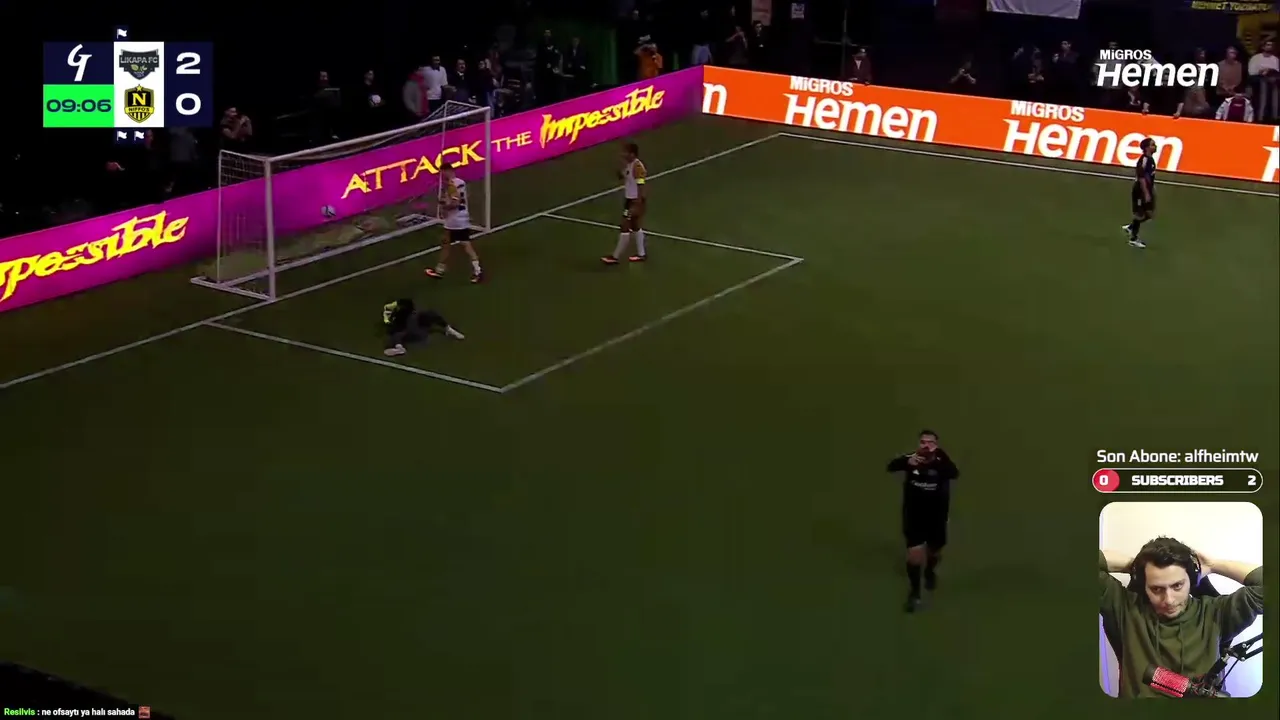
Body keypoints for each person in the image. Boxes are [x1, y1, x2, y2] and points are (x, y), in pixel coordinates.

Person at [1099, 538, 1263, 698]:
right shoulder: (1124, 608)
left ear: (1192, 579)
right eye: (1156, 589)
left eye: (1177, 586)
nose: (1169, 600)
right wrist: (1132, 565)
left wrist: (1214, 565)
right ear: (1143, 585)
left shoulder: (1216, 612)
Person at [886, 430, 959, 613]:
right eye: (923, 442)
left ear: (936, 446)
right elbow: (891, 466)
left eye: (930, 442)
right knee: (914, 556)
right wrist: (906, 462)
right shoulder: (911, 460)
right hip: (914, 517)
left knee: (934, 553)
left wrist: (938, 458)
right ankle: (915, 594)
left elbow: (954, 473)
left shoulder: (942, 463)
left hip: (936, 519)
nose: (926, 445)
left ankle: (929, 571)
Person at [425, 164, 484, 283]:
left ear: (448, 171)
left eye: (442, 172)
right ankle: (440, 270)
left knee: (464, 245)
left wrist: (444, 206)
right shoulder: (460, 182)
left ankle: (477, 271)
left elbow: (455, 203)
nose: (441, 175)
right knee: (448, 243)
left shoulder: (451, 185)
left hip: (455, 220)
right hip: (460, 218)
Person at [602, 142, 647, 265]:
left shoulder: (637, 167)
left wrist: (638, 204)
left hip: (634, 202)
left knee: (624, 226)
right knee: (635, 225)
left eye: (625, 152)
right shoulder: (629, 165)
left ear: (632, 154)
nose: (623, 154)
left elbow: (641, 186)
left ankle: (615, 257)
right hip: (629, 200)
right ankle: (641, 254)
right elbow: (622, 177)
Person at [382, 298, 464, 357]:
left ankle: (399, 347)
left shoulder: (399, 316)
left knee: (396, 335)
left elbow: (392, 326)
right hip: (418, 331)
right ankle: (448, 329)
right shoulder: (410, 314)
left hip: (414, 331)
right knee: (431, 313)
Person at [1123, 138, 1157, 249]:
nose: (1155, 146)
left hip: (1147, 189)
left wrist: (1151, 188)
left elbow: (1149, 177)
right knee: (1140, 214)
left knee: (1149, 214)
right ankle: (1133, 239)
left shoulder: (1150, 159)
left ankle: (1131, 227)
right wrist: (1146, 193)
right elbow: (1141, 177)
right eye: (1152, 145)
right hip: (1140, 190)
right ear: (1147, 148)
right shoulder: (1144, 160)